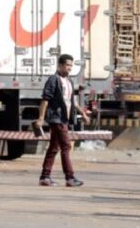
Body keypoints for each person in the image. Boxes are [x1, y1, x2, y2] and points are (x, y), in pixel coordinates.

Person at [34, 53, 90, 187]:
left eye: (71, 65)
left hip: (65, 118)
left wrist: (83, 113)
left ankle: (45, 177)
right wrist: (41, 118)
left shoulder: (69, 81)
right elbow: (45, 99)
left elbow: (72, 101)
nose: (69, 68)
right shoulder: (53, 80)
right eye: (67, 65)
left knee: (54, 147)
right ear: (60, 65)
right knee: (66, 146)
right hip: (56, 117)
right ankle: (69, 178)